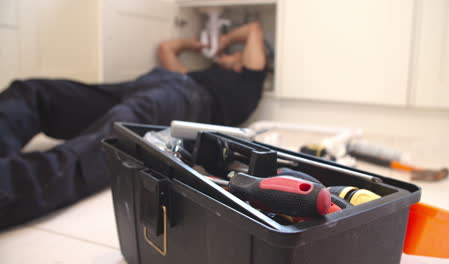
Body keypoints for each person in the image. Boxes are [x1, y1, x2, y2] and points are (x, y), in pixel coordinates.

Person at [0, 22, 266, 229]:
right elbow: (167, 48)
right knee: (34, 93)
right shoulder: (200, 72)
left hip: (185, 97)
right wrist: (204, 46)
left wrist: (223, 42)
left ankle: (10, 184)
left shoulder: (251, 82)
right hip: (149, 83)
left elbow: (253, 30)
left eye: (236, 54)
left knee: (117, 127)